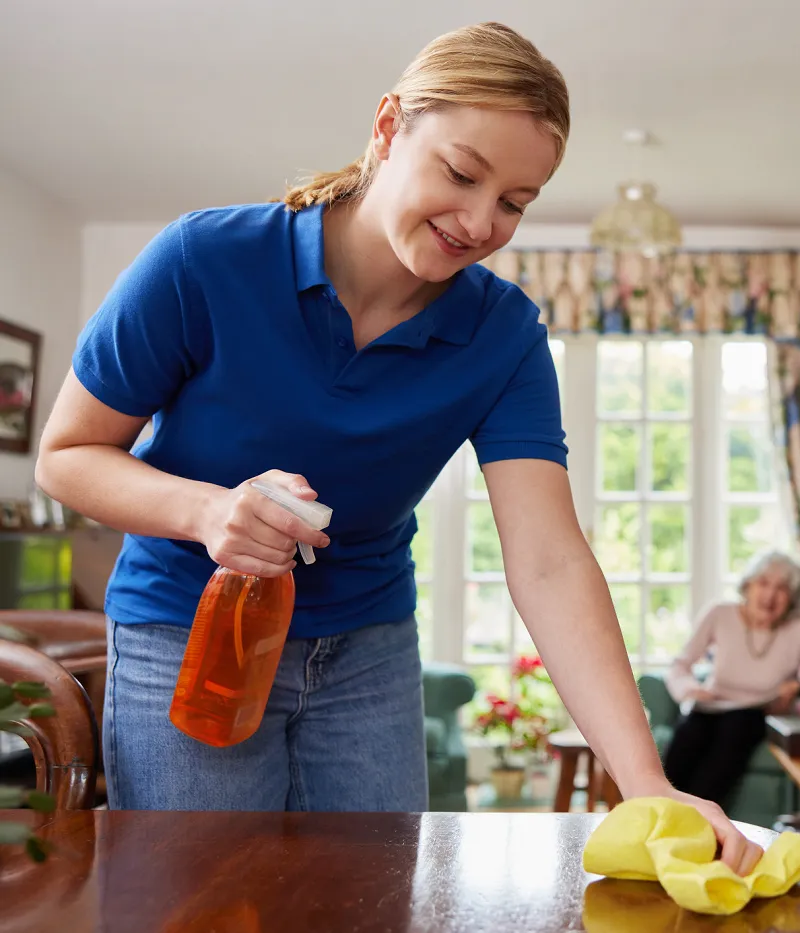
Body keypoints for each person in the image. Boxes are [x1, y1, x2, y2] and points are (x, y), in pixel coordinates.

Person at [35, 22, 762, 874]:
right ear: (388, 128)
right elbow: (67, 454)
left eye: (516, 202)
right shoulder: (206, 261)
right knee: (205, 902)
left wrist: (646, 782)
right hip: (187, 637)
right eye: (461, 173)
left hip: (366, 652)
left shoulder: (503, 334)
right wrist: (206, 509)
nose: (481, 221)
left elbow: (550, 559)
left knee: (372, 904)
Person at [662, 551, 800, 805]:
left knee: (735, 728)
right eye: (763, 583)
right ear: (748, 586)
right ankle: (659, 816)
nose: (770, 595)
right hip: (710, 705)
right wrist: (689, 689)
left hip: (756, 713)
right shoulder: (720, 614)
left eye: (782, 589)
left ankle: (698, 824)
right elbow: (679, 665)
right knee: (688, 733)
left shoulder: (799, 628)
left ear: (793, 598)